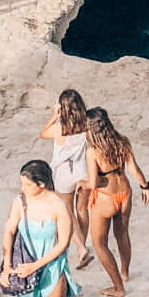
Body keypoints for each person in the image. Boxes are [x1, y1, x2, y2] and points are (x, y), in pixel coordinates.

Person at [0, 158, 79, 297]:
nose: (22, 189)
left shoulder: (58, 205)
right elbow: (9, 231)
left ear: (41, 184)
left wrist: (36, 266)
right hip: (26, 263)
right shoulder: (20, 201)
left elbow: (63, 243)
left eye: (27, 185)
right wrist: (6, 266)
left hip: (51, 264)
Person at [83, 105, 149, 296]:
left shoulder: (92, 151)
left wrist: (81, 183)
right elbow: (134, 169)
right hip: (125, 193)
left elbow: (94, 182)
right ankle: (125, 272)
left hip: (106, 198)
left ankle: (118, 287)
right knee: (122, 234)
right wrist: (145, 187)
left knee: (99, 243)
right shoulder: (123, 141)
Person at [41, 87, 93, 268]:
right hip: (83, 170)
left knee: (67, 211)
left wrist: (54, 116)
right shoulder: (87, 125)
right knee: (82, 209)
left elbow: (42, 133)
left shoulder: (59, 128)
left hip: (64, 174)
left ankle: (81, 248)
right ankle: (83, 244)